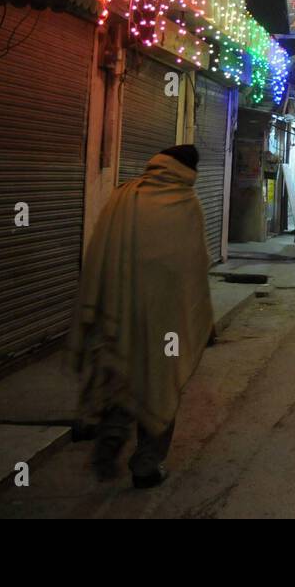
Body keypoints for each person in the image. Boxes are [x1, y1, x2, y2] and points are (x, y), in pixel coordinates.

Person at [69, 144, 214, 489]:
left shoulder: (124, 196)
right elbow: (196, 266)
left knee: (121, 375)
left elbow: (98, 252)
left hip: (119, 309)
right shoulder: (186, 203)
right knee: (160, 384)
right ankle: (146, 465)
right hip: (166, 321)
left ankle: (110, 441)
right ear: (188, 172)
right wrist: (200, 317)